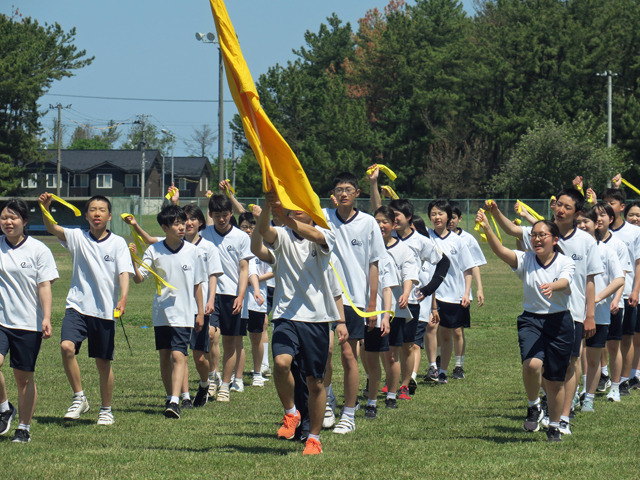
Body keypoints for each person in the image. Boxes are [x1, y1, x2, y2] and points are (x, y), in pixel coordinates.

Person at [485, 189, 602, 435]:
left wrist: (590, 314)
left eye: (566, 207)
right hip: (539, 312)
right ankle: (545, 409)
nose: (560, 209)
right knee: (540, 365)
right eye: (558, 204)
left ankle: (563, 418)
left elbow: (589, 281)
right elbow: (510, 233)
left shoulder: (586, 241)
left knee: (569, 365)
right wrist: (494, 214)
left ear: (576, 213)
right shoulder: (539, 234)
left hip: (573, 312)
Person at [252, 190, 348, 455]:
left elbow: (316, 236)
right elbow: (265, 235)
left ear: (312, 212)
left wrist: (287, 219)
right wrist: (269, 207)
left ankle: (314, 437)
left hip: (316, 319)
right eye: (292, 207)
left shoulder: (326, 234)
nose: (294, 210)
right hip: (285, 315)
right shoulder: (282, 235)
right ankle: (291, 413)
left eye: (299, 207)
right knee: (281, 364)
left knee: (315, 383)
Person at [477, 212, 575, 442]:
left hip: (559, 322)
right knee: (532, 365)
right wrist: (487, 228)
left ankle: (554, 426)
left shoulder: (565, 261)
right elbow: (500, 251)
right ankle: (533, 406)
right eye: (534, 236)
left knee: (555, 381)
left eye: (542, 235)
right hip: (531, 320)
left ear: (555, 239)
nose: (537, 239)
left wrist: (553, 285)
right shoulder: (526, 259)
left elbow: (566, 281)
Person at [39, 193, 133, 425]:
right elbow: (52, 228)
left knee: (103, 363)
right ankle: (79, 397)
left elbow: (124, 272)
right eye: (92, 209)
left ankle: (106, 409)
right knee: (66, 347)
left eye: (101, 210)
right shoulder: (77, 237)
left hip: (104, 312)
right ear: (87, 215)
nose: (96, 213)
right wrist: (44, 207)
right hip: (76, 306)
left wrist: (123, 298)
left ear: (109, 216)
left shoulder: (118, 243)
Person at [123, 195, 222, 407]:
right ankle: (171, 397)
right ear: (164, 227)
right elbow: (139, 279)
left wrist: (200, 313)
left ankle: (176, 401)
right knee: (166, 357)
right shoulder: (154, 250)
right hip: (161, 314)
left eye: (183, 223)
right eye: (176, 224)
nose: (182, 227)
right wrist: (132, 260)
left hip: (185, 315)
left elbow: (198, 285)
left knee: (180, 356)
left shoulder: (194, 252)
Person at [321, 172, 386, 434]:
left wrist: (372, 304)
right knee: (323, 353)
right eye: (339, 190)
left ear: (356, 193)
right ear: (333, 195)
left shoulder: (369, 223)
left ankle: (348, 414)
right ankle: (327, 399)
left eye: (348, 189)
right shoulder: (323, 218)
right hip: (326, 299)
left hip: (355, 301)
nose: (343, 193)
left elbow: (374, 264)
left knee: (349, 356)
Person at [0, 199, 58, 443]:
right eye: (4, 217)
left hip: (28, 324)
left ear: (24, 221)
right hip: (1, 320)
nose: (8, 222)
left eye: (13, 218)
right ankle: (4, 408)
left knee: (23, 378)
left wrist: (46, 317)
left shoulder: (39, 249)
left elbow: (44, 285)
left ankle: (23, 427)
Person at [200, 194, 252, 401]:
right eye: (217, 216)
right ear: (211, 215)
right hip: (210, 295)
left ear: (231, 214)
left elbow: (243, 268)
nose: (222, 219)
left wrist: (241, 295)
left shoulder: (241, 237)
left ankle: (225, 385)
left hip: (233, 295)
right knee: (210, 335)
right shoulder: (204, 234)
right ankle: (213, 376)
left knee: (231, 342)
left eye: (225, 215)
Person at [575, 206, 624, 412]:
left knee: (593, 358)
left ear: (596, 224)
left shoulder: (607, 251)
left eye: (586, 221)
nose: (582, 225)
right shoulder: (572, 250)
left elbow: (619, 279)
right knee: (575, 357)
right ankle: (574, 395)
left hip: (600, 314)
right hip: (574, 313)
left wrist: (598, 298)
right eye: (578, 222)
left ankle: (589, 398)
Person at [372, 206, 417, 409]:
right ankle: (370, 383)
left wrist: (406, 294)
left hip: (394, 310)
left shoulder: (403, 249)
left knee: (391, 354)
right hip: (370, 309)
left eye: (385, 222)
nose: (381, 225)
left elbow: (409, 274)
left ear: (394, 224)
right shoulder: (368, 247)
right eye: (377, 221)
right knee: (368, 351)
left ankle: (392, 393)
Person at [427, 199, 475, 384]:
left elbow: (467, 268)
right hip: (431, 293)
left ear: (448, 216)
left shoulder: (458, 241)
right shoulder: (426, 236)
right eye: (433, 214)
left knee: (447, 334)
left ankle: (443, 372)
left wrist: (466, 293)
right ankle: (432, 366)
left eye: (440, 213)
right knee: (431, 327)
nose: (436, 217)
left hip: (452, 295)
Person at [602, 185, 640, 397]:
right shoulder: (599, 232)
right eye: (604, 202)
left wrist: (635, 290)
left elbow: (637, 263)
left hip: (626, 294)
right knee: (604, 339)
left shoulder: (634, 232)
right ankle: (604, 375)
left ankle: (624, 379)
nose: (608, 207)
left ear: (621, 207)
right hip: (602, 294)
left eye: (612, 203)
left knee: (626, 338)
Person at [592, 202, 630, 401]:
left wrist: (616, 299)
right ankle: (592, 384)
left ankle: (615, 386)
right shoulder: (588, 243)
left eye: (602, 215)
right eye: (595, 216)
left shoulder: (617, 245)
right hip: (591, 306)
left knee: (614, 346)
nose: (598, 219)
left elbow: (621, 276)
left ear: (611, 219)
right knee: (593, 348)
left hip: (613, 304)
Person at [447, 203, 486, 378]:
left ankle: (458, 366)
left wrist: (479, 289)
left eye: (453, 218)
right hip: (440, 292)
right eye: (447, 217)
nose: (450, 221)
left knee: (457, 330)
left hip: (461, 291)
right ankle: (438, 362)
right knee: (439, 329)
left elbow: (474, 265)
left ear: (459, 219)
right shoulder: (436, 237)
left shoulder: (467, 239)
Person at [238, 211, 273, 387]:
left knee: (256, 337)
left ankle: (258, 372)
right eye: (244, 227)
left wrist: (256, 281)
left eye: (252, 227)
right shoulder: (236, 245)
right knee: (236, 338)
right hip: (238, 299)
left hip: (256, 300)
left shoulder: (262, 247)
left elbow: (273, 270)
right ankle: (236, 376)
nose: (248, 230)